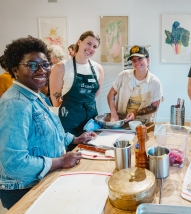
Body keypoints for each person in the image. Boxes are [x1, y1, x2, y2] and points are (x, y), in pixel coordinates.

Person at [0, 36, 97, 209]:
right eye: (32, 65)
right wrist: (59, 162)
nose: (42, 70)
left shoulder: (35, 95)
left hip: (43, 179)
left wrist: (75, 139)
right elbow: (14, 164)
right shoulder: (15, 103)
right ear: (15, 69)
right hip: (25, 190)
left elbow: (49, 132)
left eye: (45, 64)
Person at [50, 31, 104, 151]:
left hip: (91, 121)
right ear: (79, 42)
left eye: (95, 46)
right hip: (69, 122)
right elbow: (55, 101)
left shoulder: (98, 68)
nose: (91, 48)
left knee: (91, 154)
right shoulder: (61, 67)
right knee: (70, 157)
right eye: (88, 43)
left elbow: (94, 95)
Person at [107, 45, 163, 122]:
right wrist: (113, 114)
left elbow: (154, 106)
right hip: (122, 120)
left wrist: (135, 113)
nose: (136, 63)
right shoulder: (123, 76)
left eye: (140, 59)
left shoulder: (155, 82)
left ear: (148, 60)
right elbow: (111, 94)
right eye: (133, 60)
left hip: (144, 122)